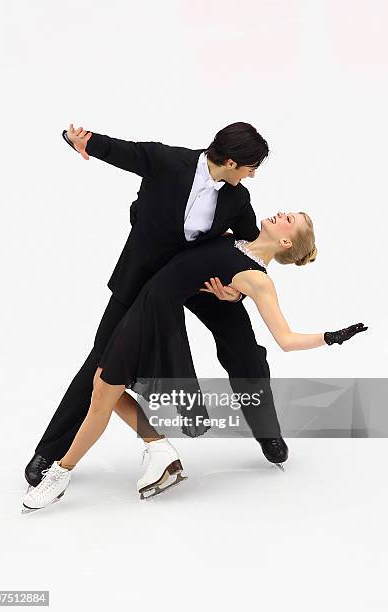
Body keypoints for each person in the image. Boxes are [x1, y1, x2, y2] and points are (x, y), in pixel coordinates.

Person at [22, 211, 368, 512]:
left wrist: (330, 337)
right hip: (147, 306)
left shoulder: (258, 280)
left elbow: (285, 339)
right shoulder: (232, 237)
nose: (281, 214)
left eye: (289, 220)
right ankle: (158, 448)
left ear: (286, 244)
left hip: (155, 316)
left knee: (103, 392)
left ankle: (61, 474)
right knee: (102, 388)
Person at [25, 121, 290, 489]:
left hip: (203, 281)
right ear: (230, 162)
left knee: (244, 349)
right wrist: (81, 140)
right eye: (251, 167)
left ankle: (267, 430)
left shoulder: (237, 197)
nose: (253, 175)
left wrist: (236, 292)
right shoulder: (166, 161)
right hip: (144, 280)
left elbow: (250, 247)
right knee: (103, 358)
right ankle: (50, 452)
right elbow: (122, 151)